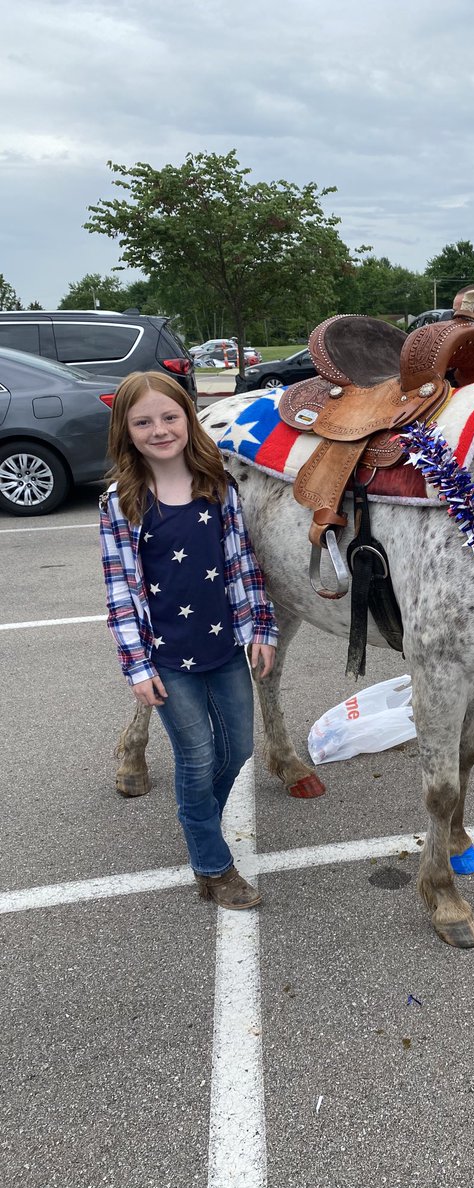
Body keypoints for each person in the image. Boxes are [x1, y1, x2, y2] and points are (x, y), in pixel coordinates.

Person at [100, 371, 278, 911]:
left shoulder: (217, 485)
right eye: (143, 421)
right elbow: (120, 592)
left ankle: (202, 822)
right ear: (126, 431)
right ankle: (210, 863)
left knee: (238, 748)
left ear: (189, 418)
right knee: (197, 760)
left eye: (170, 416)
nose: (159, 429)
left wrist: (261, 627)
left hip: (225, 648)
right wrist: (137, 667)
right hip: (167, 657)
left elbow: (242, 563)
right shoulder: (121, 501)